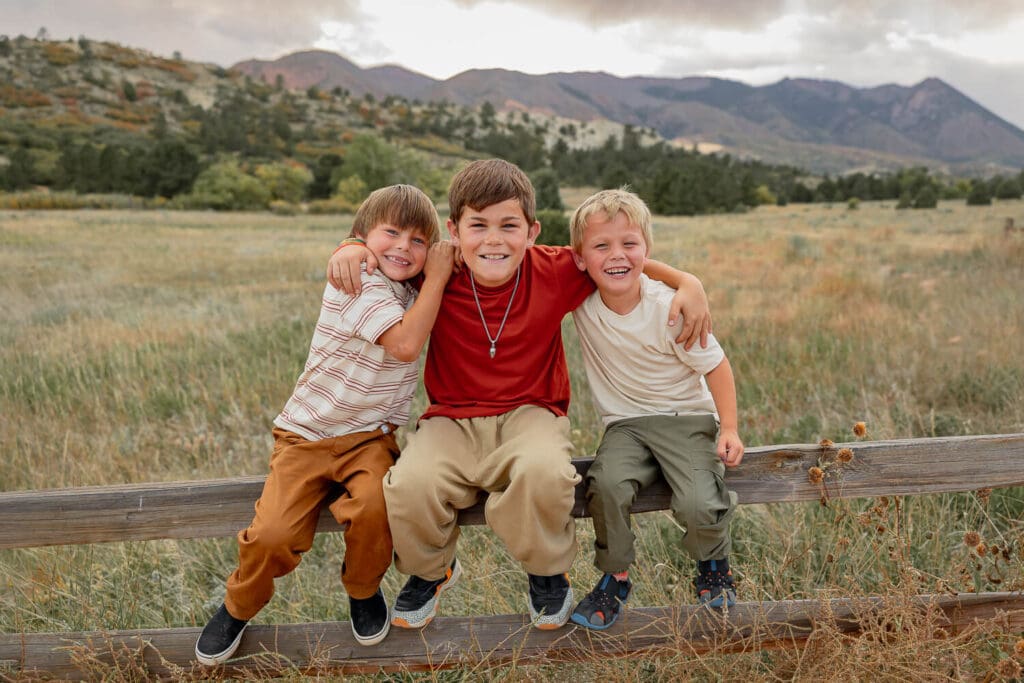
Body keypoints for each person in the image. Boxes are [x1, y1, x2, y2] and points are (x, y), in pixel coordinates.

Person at [327, 159, 711, 631]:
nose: (493, 240)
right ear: (454, 230)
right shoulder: (434, 269)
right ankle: (432, 571)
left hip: (533, 412)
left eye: (509, 226)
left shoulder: (552, 269)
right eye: (478, 226)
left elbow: (613, 258)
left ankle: (546, 571)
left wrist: (687, 281)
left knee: (545, 473)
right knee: (409, 485)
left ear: (532, 231)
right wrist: (350, 246)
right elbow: (388, 253)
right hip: (451, 417)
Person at [194, 185, 454, 666]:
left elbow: (473, 256)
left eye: (419, 241)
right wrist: (355, 250)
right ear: (363, 236)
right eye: (390, 233)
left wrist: (429, 267)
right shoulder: (356, 281)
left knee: (377, 510)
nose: (403, 247)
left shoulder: (412, 286)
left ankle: (362, 590)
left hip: (371, 440)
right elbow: (403, 345)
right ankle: (237, 607)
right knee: (272, 533)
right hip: (306, 436)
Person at [566, 188, 743, 630]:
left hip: (686, 419)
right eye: (601, 246)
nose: (617, 255)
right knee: (604, 484)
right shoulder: (580, 297)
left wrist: (731, 429)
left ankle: (713, 564)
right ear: (581, 258)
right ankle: (616, 576)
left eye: (630, 244)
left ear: (646, 250)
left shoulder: (670, 306)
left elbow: (717, 366)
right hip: (625, 425)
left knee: (700, 501)